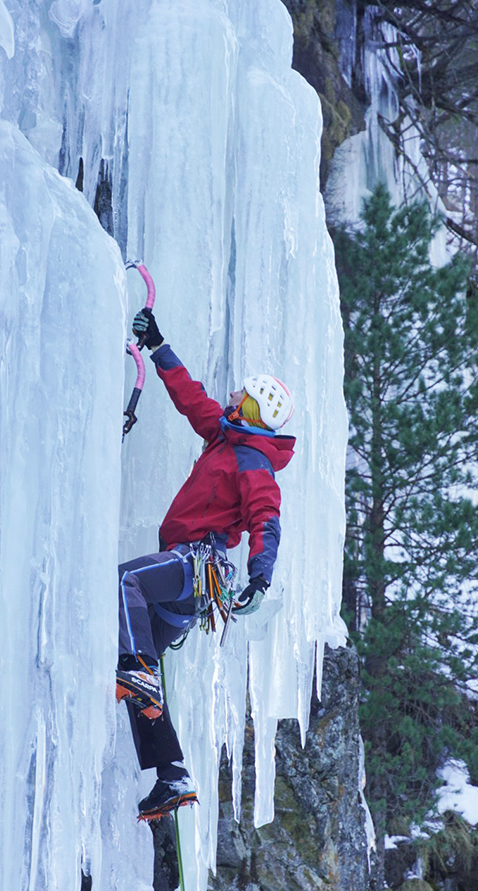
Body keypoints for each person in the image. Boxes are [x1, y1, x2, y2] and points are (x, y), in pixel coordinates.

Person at [117, 308, 296, 820]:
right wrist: (158, 345)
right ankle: (172, 777)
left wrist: (261, 575)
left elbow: (266, 518)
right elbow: (191, 398)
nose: (234, 395)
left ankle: (139, 671)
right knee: (133, 666)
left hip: (199, 566)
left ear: (255, 412)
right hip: (186, 576)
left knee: (128, 582)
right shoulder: (224, 436)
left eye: (244, 395)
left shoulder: (253, 461)